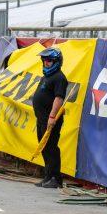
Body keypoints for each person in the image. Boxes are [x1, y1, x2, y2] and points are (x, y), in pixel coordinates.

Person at [33, 47, 67, 188]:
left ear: (56, 62)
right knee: (44, 148)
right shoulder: (46, 77)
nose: (46, 63)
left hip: (51, 119)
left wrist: (52, 116)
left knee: (51, 148)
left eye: (49, 61)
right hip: (41, 119)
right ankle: (47, 176)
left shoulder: (60, 78)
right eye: (44, 60)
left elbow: (58, 98)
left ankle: (55, 178)